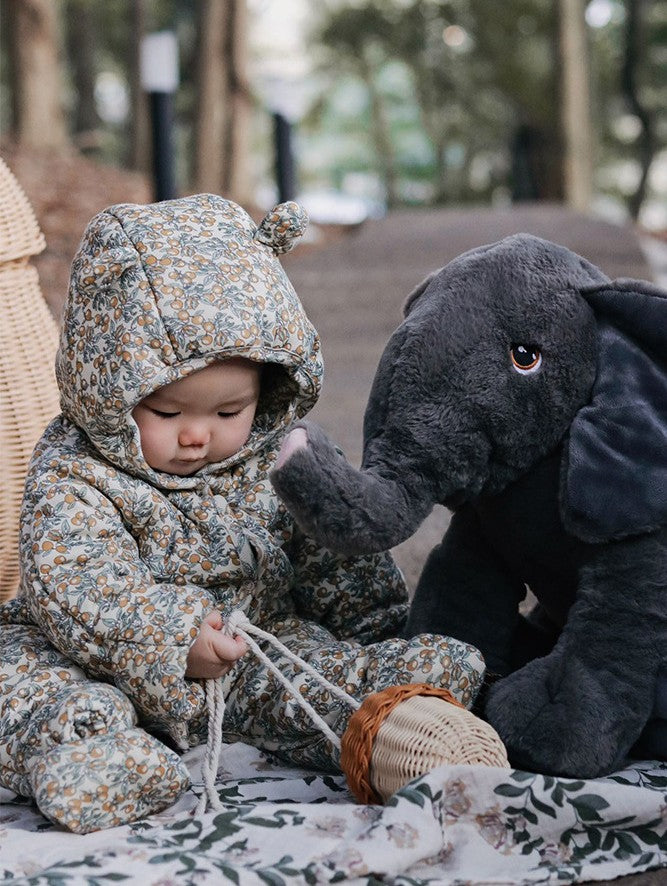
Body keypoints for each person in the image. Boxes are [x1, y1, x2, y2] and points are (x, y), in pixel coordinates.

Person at [0, 194, 485, 834]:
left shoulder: (281, 457)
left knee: (311, 677)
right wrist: (171, 637)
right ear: (109, 393)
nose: (197, 436)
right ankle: (95, 754)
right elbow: (81, 584)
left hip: (252, 649)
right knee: (26, 684)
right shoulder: (76, 471)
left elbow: (336, 556)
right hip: (97, 656)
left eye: (228, 413)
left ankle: (399, 706)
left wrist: (377, 628)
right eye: (168, 415)